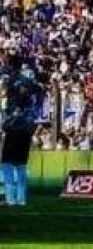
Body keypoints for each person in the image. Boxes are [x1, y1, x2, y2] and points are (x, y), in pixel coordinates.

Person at [2, 55, 43, 206]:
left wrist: (12, 117)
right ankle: (21, 199)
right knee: (21, 163)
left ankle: (10, 198)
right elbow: (40, 91)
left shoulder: (13, 80)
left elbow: (18, 100)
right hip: (27, 127)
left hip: (15, 126)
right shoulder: (29, 81)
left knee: (6, 162)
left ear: (11, 65)